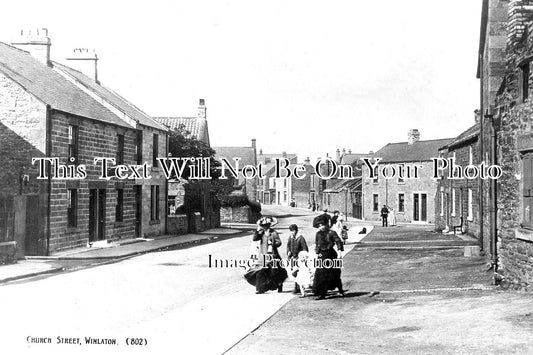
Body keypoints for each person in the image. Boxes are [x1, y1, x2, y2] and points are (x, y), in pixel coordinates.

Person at [249, 217, 288, 294]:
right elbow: (254, 239)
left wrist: (273, 244)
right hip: (263, 255)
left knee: (275, 272)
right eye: (263, 225)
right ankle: (260, 288)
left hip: (273, 255)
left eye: (266, 225)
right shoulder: (261, 233)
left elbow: (279, 242)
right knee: (260, 271)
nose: (264, 227)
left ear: (269, 225)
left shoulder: (274, 233)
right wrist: (257, 230)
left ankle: (279, 285)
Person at [312, 214, 345, 300]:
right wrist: (317, 253)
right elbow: (317, 244)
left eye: (322, 225)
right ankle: (322, 293)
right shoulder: (318, 234)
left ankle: (341, 290)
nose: (321, 227)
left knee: (334, 274)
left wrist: (340, 251)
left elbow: (339, 242)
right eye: (319, 226)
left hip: (331, 255)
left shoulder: (331, 232)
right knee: (321, 274)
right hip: (322, 256)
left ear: (326, 224)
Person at [287, 224, 309, 293]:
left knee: (299, 273)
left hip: (300, 259)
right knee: (294, 273)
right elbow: (288, 246)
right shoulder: (290, 238)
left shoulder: (300, 238)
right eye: (290, 231)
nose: (292, 232)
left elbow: (305, 248)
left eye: (293, 231)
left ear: (296, 231)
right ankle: (297, 286)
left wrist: (303, 256)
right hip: (293, 258)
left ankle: (298, 287)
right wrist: (288, 252)